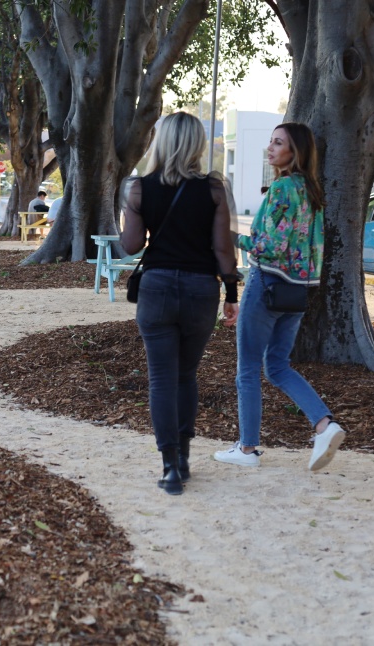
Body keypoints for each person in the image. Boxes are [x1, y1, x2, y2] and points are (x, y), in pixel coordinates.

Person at [120, 111, 240, 496]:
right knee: (186, 375)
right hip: (200, 289)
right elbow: (224, 250)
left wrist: (128, 213)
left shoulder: (139, 189)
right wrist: (232, 296)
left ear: (161, 142)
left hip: (155, 288)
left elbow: (131, 246)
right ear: (197, 145)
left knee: (161, 379)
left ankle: (170, 466)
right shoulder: (214, 189)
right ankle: (185, 458)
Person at [214, 122, 346, 471]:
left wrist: (229, 238)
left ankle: (246, 450)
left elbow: (268, 247)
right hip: (298, 291)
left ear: (295, 152)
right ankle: (323, 424)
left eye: (278, 143)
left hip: (268, 284)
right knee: (277, 366)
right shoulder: (312, 190)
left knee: (247, 368)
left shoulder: (282, 188)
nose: (270, 149)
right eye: (270, 142)